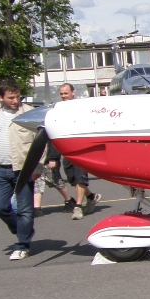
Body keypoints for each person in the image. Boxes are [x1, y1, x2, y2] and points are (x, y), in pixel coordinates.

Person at [0, 78, 43, 260]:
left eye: (17, 97)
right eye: (11, 98)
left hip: (24, 168)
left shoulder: (29, 114)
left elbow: (41, 143)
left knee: (25, 209)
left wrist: (37, 166)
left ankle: (22, 244)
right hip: (0, 167)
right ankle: (23, 229)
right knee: (0, 208)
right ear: (1, 98)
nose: (15, 101)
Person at [57, 83, 102, 219]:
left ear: (73, 93)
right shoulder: (59, 110)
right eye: (62, 94)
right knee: (73, 180)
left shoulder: (80, 108)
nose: (64, 96)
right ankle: (91, 196)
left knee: (80, 179)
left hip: (82, 149)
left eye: (66, 93)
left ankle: (78, 207)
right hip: (67, 150)